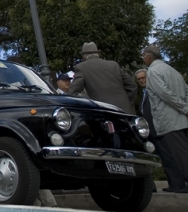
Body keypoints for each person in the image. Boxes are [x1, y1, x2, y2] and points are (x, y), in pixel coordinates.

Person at [142, 45, 188, 193]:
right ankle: (178, 185)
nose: (143, 59)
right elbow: (186, 91)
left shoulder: (153, 71)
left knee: (181, 155)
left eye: (143, 56)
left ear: (149, 57)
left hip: (169, 120)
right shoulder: (173, 71)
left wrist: (184, 107)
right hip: (181, 119)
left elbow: (164, 94)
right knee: (179, 153)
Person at [68, 42, 137, 114]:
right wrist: (128, 103)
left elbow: (73, 92)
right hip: (125, 111)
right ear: (98, 54)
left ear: (83, 56)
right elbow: (132, 85)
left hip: (104, 112)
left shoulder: (81, 67)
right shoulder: (114, 65)